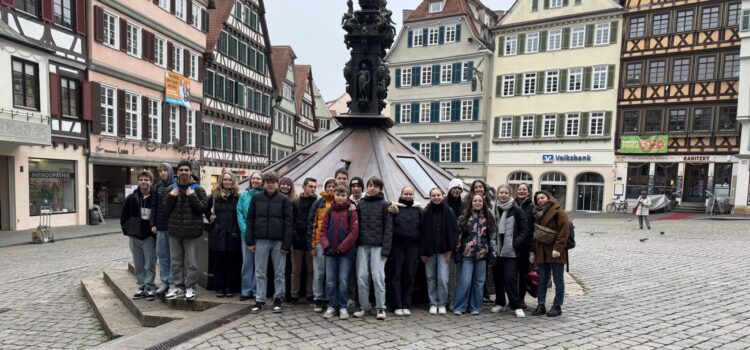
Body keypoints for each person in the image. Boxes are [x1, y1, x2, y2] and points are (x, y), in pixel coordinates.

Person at [247, 171, 293, 314]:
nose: (271, 185)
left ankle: (278, 298)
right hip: (261, 240)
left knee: (279, 272)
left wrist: (286, 244)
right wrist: (250, 241)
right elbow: (250, 220)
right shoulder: (256, 198)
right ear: (264, 183)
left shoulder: (284, 199)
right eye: (268, 182)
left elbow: (288, 223)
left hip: (278, 241)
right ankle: (260, 300)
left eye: (273, 182)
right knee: (260, 271)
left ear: (277, 183)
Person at [164, 160, 208, 301]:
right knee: (176, 261)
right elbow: (165, 210)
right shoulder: (171, 188)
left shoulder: (199, 189)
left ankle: (191, 288)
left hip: (192, 233)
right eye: (181, 170)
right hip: (175, 232)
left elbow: (202, 209)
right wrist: (172, 197)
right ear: (177, 172)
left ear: (190, 172)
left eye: (186, 170)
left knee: (192, 263)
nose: (183, 172)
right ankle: (178, 286)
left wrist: (192, 196)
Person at [353, 176, 393, 320]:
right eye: (370, 185)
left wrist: (386, 250)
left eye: (375, 186)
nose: (372, 188)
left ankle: (380, 307)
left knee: (378, 277)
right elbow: (356, 226)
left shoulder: (385, 205)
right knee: (362, 276)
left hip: (378, 247)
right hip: (363, 245)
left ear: (380, 189)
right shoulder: (361, 204)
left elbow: (388, 229)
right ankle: (364, 306)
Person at [490, 184, 530, 318]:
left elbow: (525, 230)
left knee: (510, 277)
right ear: (497, 194)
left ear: (510, 194)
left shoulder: (516, 209)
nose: (503, 195)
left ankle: (516, 305)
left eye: (506, 193)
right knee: (497, 277)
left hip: (510, 250)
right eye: (501, 192)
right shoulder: (493, 208)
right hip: (496, 249)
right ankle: (500, 302)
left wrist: (515, 243)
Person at [320, 185, 359, 320]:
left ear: (347, 196)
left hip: (345, 253)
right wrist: (326, 246)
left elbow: (354, 232)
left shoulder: (351, 211)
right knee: (330, 280)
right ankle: (332, 305)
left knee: (343, 280)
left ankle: (342, 306)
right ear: (334, 195)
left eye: (343, 195)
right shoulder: (330, 211)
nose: (340, 197)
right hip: (330, 252)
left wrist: (341, 248)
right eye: (338, 195)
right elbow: (323, 230)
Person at [453, 194, 496, 315]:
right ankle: (460, 307)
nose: (477, 202)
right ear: (471, 202)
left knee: (479, 282)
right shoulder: (463, 218)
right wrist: (457, 251)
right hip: (467, 254)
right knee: (465, 281)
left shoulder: (489, 217)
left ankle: (475, 307)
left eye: (480, 201)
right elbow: (458, 237)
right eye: (475, 201)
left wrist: (493, 252)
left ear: (483, 202)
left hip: (482, 255)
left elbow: (492, 237)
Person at [530, 190, 570, 317]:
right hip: (541, 252)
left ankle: (557, 306)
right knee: (542, 280)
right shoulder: (537, 213)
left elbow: (564, 230)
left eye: (542, 197)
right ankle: (540, 304)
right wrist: (533, 251)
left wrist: (558, 248)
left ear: (548, 198)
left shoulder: (558, 211)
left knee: (558, 280)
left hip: (555, 252)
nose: (540, 200)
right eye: (538, 199)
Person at [420, 188, 458, 315]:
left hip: (444, 251)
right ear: (430, 197)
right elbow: (421, 232)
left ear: (442, 196)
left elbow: (454, 232)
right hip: (429, 251)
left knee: (442, 278)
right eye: (433, 195)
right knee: (430, 277)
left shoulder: (449, 211)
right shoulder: (425, 211)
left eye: (438, 195)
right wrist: (423, 252)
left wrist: (450, 250)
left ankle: (442, 303)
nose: (436, 197)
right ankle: (433, 303)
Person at [121, 170, 157, 301]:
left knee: (150, 264)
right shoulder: (132, 197)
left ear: (151, 182)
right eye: (141, 179)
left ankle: (150, 287)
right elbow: (123, 216)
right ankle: (141, 286)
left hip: (149, 237)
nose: (143, 182)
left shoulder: (155, 197)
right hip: (135, 236)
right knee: (138, 264)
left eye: (146, 180)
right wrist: (127, 230)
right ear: (138, 181)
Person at [205, 172, 242, 298]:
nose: (227, 182)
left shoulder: (237, 196)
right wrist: (210, 216)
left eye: (229, 179)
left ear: (233, 181)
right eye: (225, 179)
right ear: (221, 181)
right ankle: (220, 287)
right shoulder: (214, 196)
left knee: (231, 262)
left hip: (232, 233)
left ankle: (230, 287)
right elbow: (205, 208)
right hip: (218, 232)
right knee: (218, 261)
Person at [386, 186, 421, 317]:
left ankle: (406, 304)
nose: (408, 196)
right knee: (396, 275)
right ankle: (396, 305)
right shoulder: (395, 208)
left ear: (414, 196)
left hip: (413, 246)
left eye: (410, 194)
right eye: (405, 193)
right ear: (401, 194)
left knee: (410, 275)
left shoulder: (418, 209)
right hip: (398, 246)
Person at [307, 178, 337, 312]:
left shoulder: (339, 202)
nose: (331, 189)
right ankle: (318, 298)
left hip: (334, 243)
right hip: (319, 242)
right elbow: (311, 223)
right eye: (329, 186)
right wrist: (311, 244)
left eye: (333, 187)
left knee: (331, 273)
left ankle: (328, 298)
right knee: (319, 272)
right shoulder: (318, 203)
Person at [290, 178, 318, 305]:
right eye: (310, 186)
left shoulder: (318, 203)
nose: (313, 189)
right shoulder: (296, 202)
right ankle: (294, 295)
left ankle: (309, 294)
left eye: (314, 187)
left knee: (311, 270)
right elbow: (291, 222)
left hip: (311, 241)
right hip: (297, 241)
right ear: (304, 187)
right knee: (296, 270)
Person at [237, 171, 263, 301]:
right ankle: (246, 290)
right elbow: (240, 213)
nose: (256, 180)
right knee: (247, 263)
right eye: (253, 178)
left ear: (262, 181)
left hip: (260, 235)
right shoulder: (244, 195)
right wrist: (246, 232)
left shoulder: (264, 196)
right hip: (246, 236)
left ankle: (256, 290)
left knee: (259, 265)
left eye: (258, 178)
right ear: (250, 180)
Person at [151, 163, 174, 296]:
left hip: (172, 227)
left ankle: (172, 283)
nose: (163, 173)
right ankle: (164, 282)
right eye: (160, 171)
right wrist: (153, 224)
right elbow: (154, 207)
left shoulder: (176, 185)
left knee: (173, 257)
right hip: (160, 227)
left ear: (170, 171)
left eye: (165, 170)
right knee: (162, 256)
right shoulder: (157, 187)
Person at [514, 183, 535, 308]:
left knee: (523, 273)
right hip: (513, 244)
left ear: (528, 192)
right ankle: (512, 297)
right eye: (520, 189)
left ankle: (521, 298)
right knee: (511, 273)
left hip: (526, 245)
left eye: (524, 190)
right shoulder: (512, 204)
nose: (521, 191)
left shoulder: (532, 207)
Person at [444, 179, 463, 309]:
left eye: (459, 188)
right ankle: (449, 299)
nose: (457, 190)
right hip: (448, 243)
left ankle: (457, 299)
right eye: (455, 188)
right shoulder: (444, 203)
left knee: (460, 274)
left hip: (462, 244)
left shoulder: (464, 204)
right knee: (449, 274)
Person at [279, 176, 298, 302]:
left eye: (288, 184)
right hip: (277, 236)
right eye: (283, 184)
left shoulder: (295, 201)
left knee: (288, 268)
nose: (285, 186)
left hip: (289, 237)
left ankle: (287, 293)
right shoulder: (276, 198)